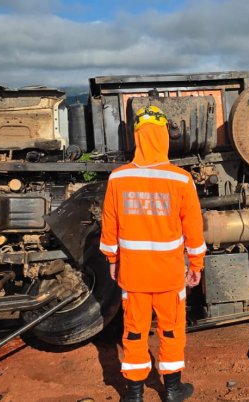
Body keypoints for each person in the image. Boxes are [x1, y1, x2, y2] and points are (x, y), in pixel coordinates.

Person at [100, 104, 207, 402]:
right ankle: (172, 390)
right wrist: (196, 264)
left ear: (137, 137)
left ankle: (134, 394)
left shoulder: (118, 178)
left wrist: (112, 259)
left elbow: (109, 224)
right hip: (168, 275)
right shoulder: (180, 179)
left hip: (133, 274)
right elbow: (194, 229)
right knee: (171, 330)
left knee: (134, 332)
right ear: (163, 137)